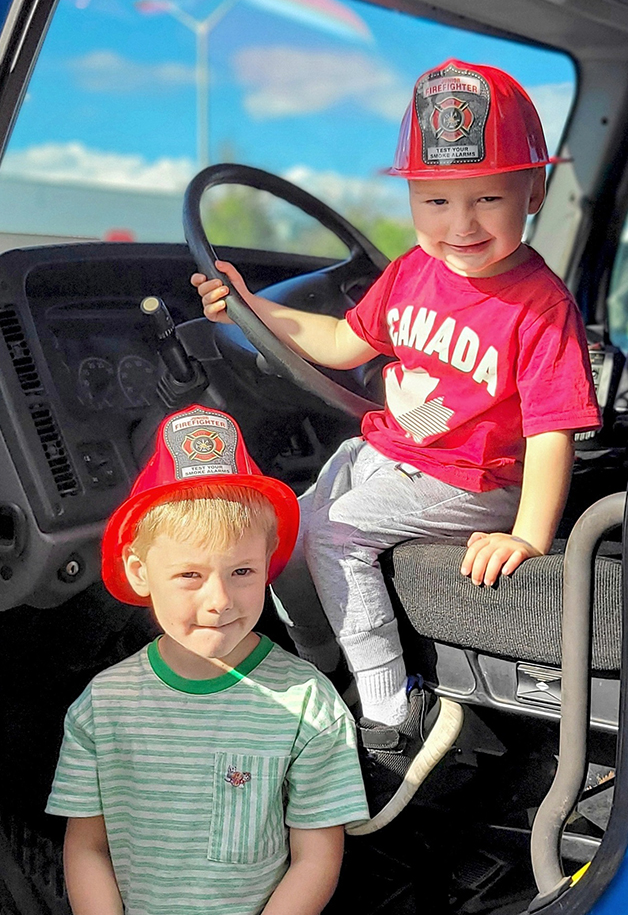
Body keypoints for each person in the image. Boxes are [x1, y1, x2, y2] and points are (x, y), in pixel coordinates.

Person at [191, 59, 602, 830]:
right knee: (288, 521)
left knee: (338, 534)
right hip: (394, 453)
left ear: (534, 196)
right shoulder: (414, 271)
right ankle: (320, 668)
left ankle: (391, 715)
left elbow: (552, 431)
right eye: (436, 200)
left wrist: (526, 535)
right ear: (411, 198)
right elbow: (346, 341)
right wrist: (250, 311)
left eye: (488, 199)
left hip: (474, 478)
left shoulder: (540, 308)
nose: (462, 224)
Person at [46, 404, 369, 915]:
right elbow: (87, 846)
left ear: (268, 561)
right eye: (190, 576)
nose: (219, 600)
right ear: (139, 572)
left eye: (241, 571)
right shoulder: (102, 707)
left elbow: (316, 858)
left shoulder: (309, 705)